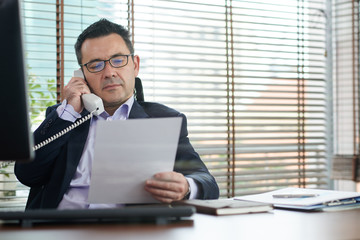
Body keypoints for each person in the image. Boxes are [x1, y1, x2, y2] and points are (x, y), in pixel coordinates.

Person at [15, 18, 219, 209]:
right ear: (82, 75)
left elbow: (207, 182)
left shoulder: (166, 120)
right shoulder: (64, 117)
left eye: (118, 60)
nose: (109, 72)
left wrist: (186, 187)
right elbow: (27, 175)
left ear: (135, 65)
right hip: (59, 228)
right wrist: (68, 113)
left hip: (128, 230)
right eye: (95, 65)